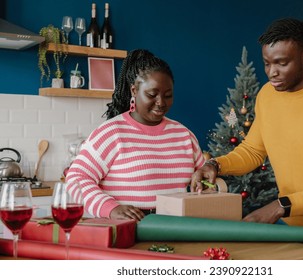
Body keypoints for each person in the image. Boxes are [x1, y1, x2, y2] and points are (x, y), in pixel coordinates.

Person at [191, 18, 303, 260]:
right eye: (267, 63)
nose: (272, 73)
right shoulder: (267, 95)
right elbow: (253, 150)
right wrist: (216, 164)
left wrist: (281, 205)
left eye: (282, 63)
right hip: (291, 231)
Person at [66, 49, 205, 221]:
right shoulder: (111, 133)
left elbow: (204, 179)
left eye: (168, 96)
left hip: (177, 228)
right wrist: (110, 208)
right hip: (126, 229)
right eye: (152, 95)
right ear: (134, 90)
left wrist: (205, 182)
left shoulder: (184, 134)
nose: (161, 103)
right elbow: (76, 178)